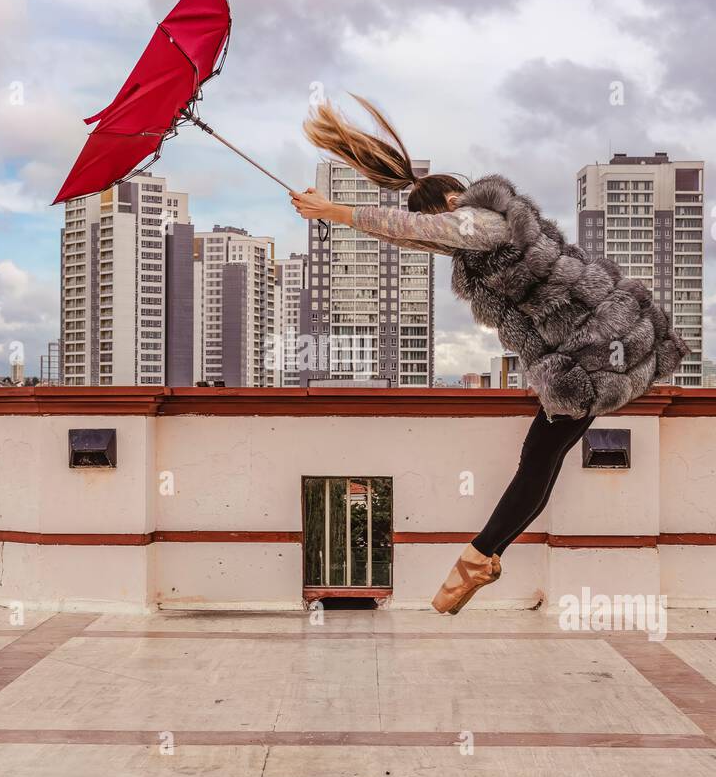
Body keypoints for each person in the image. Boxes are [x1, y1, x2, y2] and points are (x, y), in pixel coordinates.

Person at [290, 96, 689, 614]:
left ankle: (480, 556)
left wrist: (332, 211)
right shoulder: (482, 231)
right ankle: (483, 556)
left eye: (442, 216)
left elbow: (417, 230)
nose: (444, 229)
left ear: (453, 199)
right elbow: (419, 238)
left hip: (596, 345)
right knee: (541, 460)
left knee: (538, 461)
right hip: (590, 347)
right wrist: (340, 216)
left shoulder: (487, 220)